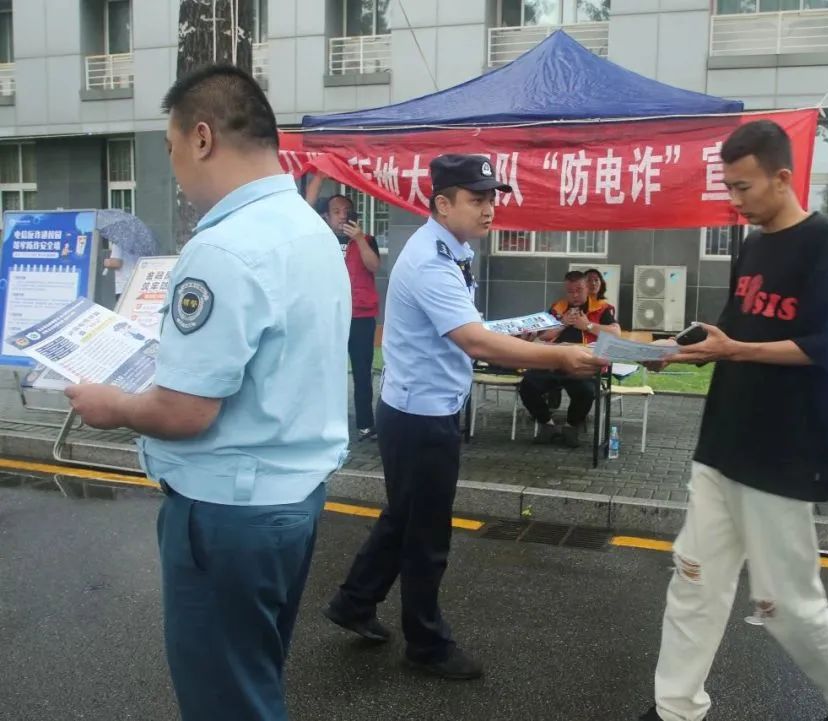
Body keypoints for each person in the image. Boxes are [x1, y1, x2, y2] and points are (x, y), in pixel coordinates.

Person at [64, 64, 351, 721]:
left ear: (201, 138)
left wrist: (113, 407)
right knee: (252, 681)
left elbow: (186, 409)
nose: (174, 170)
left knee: (227, 702)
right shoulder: (313, 232)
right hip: (291, 500)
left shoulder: (222, 249)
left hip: (226, 513)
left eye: (167, 149)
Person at [637, 120, 828, 721]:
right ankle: (674, 708)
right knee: (693, 578)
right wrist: (681, 345)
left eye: (744, 187)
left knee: (785, 603)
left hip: (785, 449)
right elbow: (738, 327)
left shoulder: (824, 240)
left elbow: (825, 347)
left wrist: (735, 350)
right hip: (724, 439)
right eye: (728, 187)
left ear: (783, 178)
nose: (735, 201)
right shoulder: (750, 245)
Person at [324, 154, 606, 681]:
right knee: (426, 535)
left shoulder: (453, 250)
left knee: (403, 517)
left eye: (492, 197)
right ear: (443, 204)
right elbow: (474, 340)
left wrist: (526, 329)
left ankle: (354, 603)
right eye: (477, 199)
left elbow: (468, 325)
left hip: (420, 409)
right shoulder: (431, 259)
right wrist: (562, 355)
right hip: (420, 417)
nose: (489, 208)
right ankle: (425, 645)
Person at [306, 174, 382, 443]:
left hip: (360, 316)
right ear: (325, 216)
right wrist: (319, 175)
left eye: (346, 212)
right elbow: (304, 209)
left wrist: (359, 239)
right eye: (336, 211)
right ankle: (327, 422)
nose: (341, 216)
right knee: (327, 371)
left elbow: (374, 267)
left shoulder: (366, 240)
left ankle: (365, 424)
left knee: (362, 372)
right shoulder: (318, 239)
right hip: (329, 316)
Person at [519, 270, 620, 447]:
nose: (574, 295)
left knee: (586, 392)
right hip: (554, 360)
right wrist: (563, 324)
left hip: (583, 363)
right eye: (570, 291)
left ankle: (571, 427)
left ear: (587, 288)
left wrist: (587, 325)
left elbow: (615, 333)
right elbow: (543, 336)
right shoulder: (558, 307)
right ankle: (546, 424)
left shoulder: (601, 307)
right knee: (528, 385)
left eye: (579, 290)